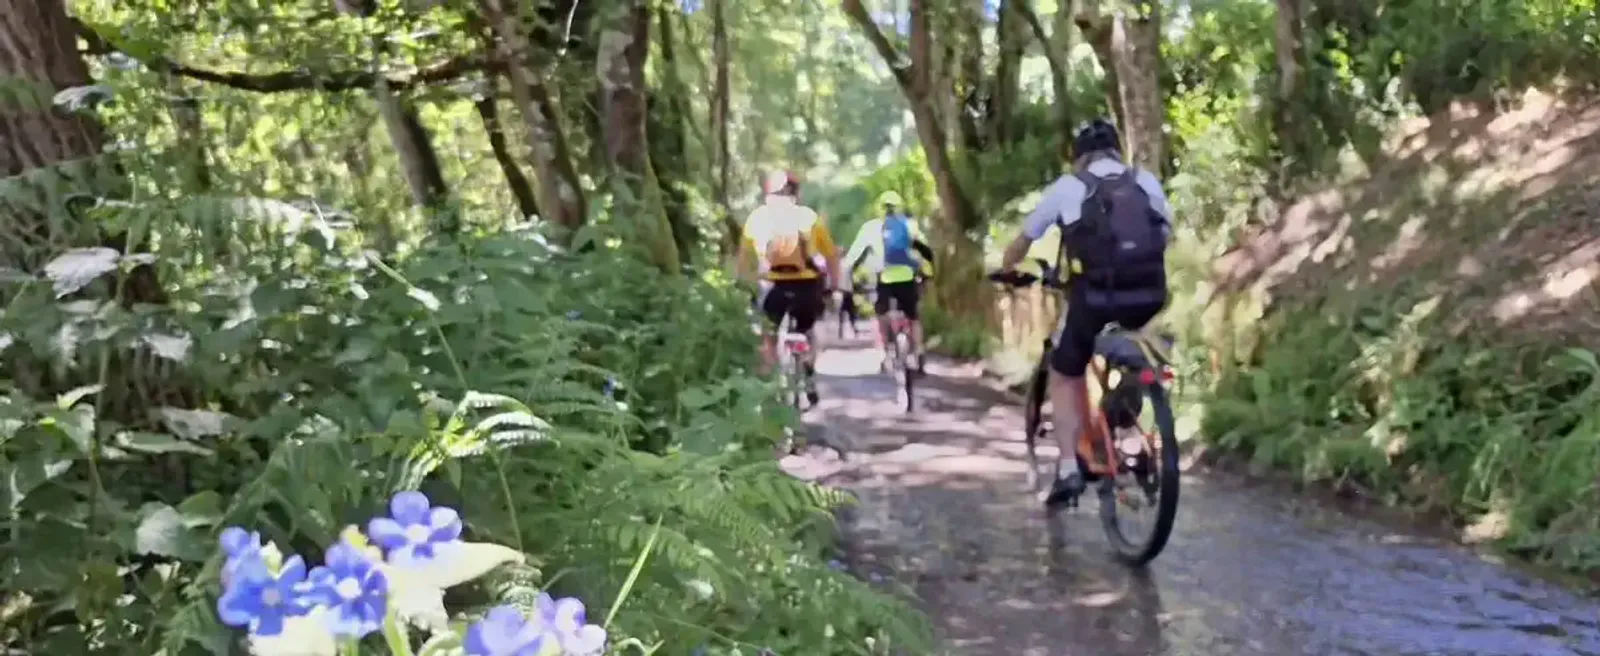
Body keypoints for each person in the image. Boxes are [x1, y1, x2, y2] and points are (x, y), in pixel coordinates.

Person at [992, 119, 1173, 506]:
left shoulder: (1069, 187)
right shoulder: (1145, 182)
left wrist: (1007, 269)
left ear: (1078, 156)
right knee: (1134, 349)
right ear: (1117, 150)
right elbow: (1165, 234)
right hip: (1150, 294)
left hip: (1095, 299)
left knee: (1065, 371)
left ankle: (1068, 468)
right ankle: (1130, 417)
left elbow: (1023, 241)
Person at [738, 169, 841, 404]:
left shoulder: (757, 218)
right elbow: (831, 256)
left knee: (768, 337)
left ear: (768, 193)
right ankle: (809, 373)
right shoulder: (809, 217)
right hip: (807, 285)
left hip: (771, 287)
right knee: (806, 329)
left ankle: (769, 394)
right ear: (796, 192)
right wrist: (833, 286)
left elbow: (744, 258)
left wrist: (743, 283)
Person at [842, 190, 935, 373]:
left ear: (879, 208)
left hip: (884, 278)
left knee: (881, 315)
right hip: (908, 276)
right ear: (899, 207)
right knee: (913, 317)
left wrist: (852, 278)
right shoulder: (909, 224)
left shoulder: (871, 228)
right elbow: (926, 251)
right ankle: (919, 352)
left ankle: (884, 353)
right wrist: (927, 272)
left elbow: (853, 258)